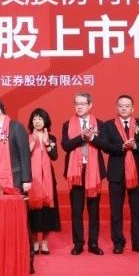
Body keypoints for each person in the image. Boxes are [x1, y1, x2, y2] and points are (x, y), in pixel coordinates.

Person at [97, 94, 139, 255]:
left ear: (132, 108)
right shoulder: (108, 125)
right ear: (117, 107)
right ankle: (118, 242)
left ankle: (138, 242)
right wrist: (122, 147)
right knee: (116, 211)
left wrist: (135, 146)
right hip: (116, 172)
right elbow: (105, 146)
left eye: (127, 106)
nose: (124, 108)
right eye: (121, 106)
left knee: (137, 210)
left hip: (135, 172)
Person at [60, 92, 104, 255]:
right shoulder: (68, 124)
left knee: (94, 210)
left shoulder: (99, 124)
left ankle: (93, 243)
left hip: (94, 171)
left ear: (90, 105)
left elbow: (105, 145)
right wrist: (81, 137)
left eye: (82, 104)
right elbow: (65, 145)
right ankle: (78, 243)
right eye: (76, 103)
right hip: (75, 172)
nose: (79, 106)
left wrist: (91, 137)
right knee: (77, 210)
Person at [24, 108, 61, 255]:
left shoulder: (51, 138)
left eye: (40, 118)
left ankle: (44, 243)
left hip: (48, 179)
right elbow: (24, 157)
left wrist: (47, 143)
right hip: (32, 179)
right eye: (34, 119)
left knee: (47, 211)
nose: (37, 121)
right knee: (33, 211)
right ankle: (34, 242)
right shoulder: (26, 137)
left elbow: (55, 156)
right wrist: (31, 145)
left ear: (45, 121)